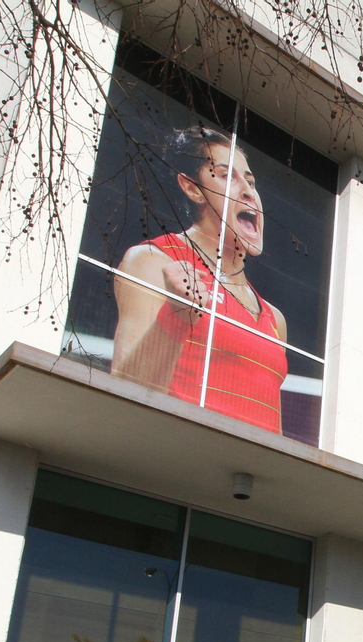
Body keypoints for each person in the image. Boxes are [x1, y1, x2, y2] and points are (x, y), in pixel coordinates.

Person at [112, 126, 290, 434]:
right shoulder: (153, 260)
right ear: (193, 188)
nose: (248, 191)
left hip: (248, 481)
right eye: (226, 176)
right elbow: (122, 395)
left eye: (250, 181)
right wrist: (176, 317)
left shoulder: (275, 319)